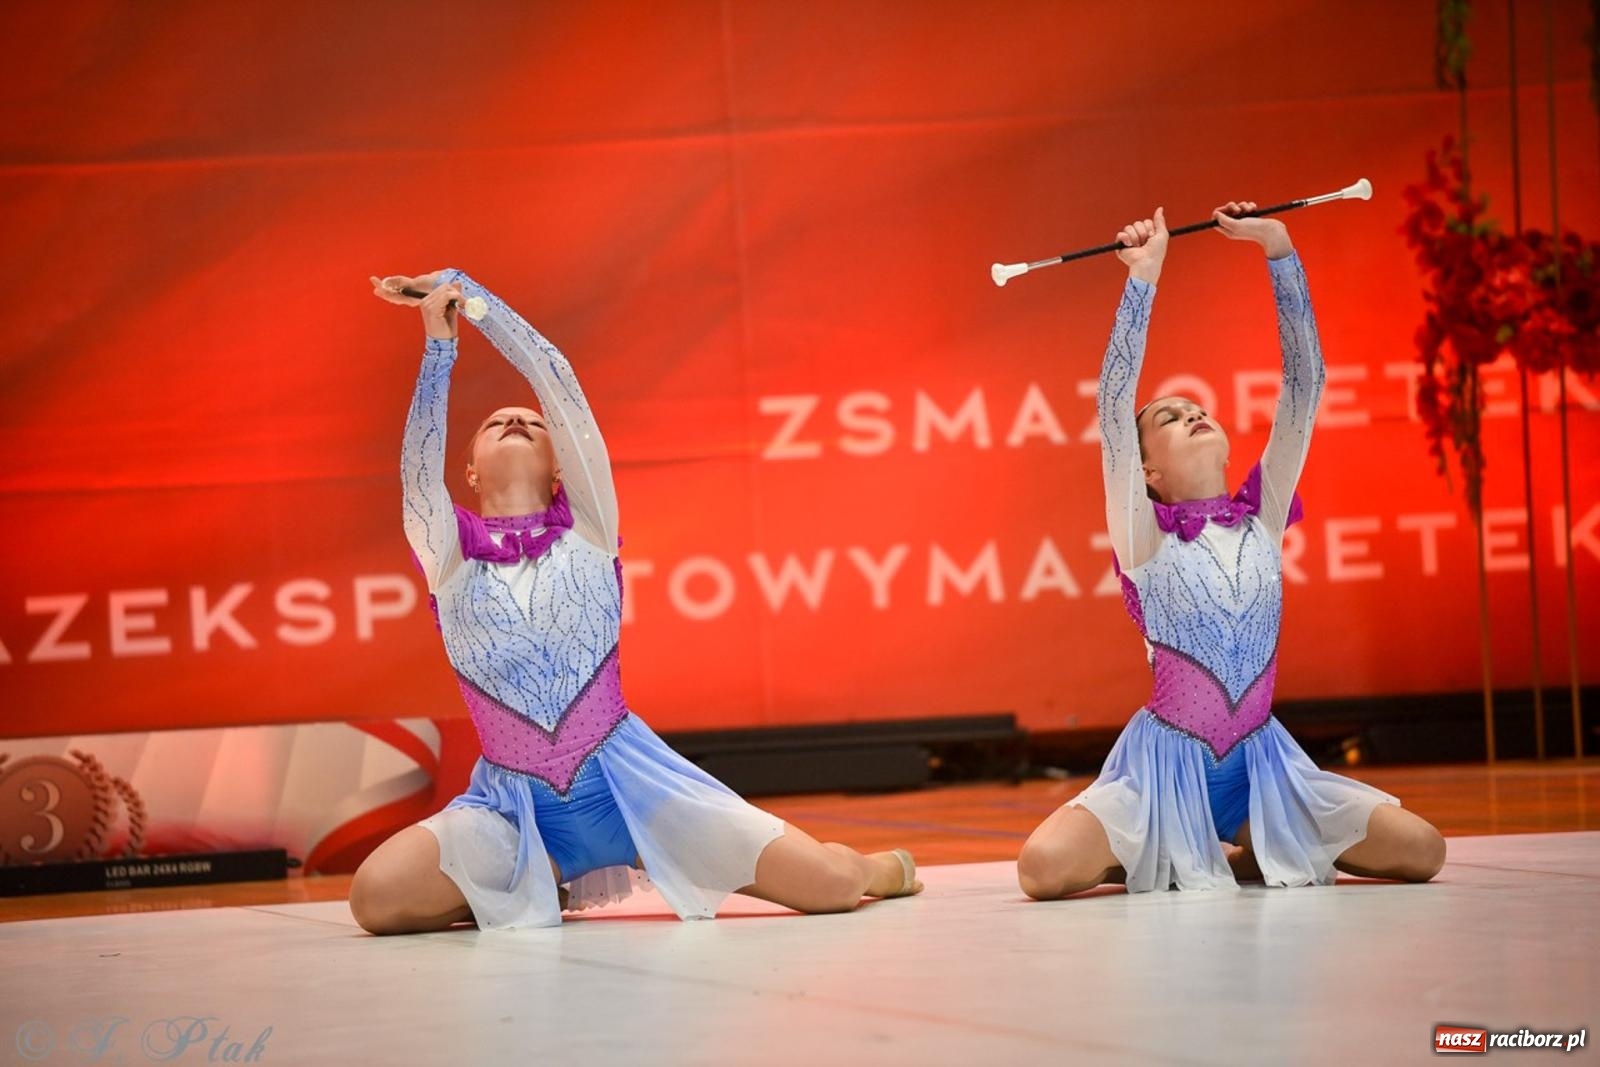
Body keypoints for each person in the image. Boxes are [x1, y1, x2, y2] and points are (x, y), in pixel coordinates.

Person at [349, 269, 921, 933]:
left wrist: (470, 298)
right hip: (512, 806)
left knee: (829, 886)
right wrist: (437, 350)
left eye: (532, 422)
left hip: (634, 786)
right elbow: (418, 472)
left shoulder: (590, 527)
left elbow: (554, 376)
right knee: (376, 898)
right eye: (496, 421)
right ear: (470, 470)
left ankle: (874, 866)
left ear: (561, 462)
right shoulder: (448, 557)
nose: (514, 417)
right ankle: (536, 876)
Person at [1016, 203, 1447, 899]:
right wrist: (1143, 280)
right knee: (1042, 868)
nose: (1191, 414)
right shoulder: (1144, 536)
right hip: (1162, 768)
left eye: (1196, 408)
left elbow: (1306, 385)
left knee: (1423, 849)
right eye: (1169, 417)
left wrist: (1279, 253)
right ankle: (1166, 845)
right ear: (1147, 469)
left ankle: (1225, 857)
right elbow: (1113, 405)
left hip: (1262, 764)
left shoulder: (1263, 514)